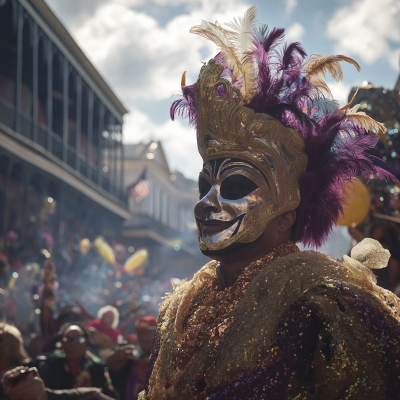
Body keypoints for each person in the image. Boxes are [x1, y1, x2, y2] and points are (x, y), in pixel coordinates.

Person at [139, 7, 400, 400]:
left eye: (236, 185)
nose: (205, 204)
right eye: (204, 186)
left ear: (286, 214)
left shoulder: (328, 309)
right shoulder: (182, 307)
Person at [37, 322, 117, 399]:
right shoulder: (50, 364)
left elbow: (110, 393)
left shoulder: (98, 367)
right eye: (67, 339)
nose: (73, 343)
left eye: (79, 339)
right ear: (61, 342)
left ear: (86, 341)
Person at [106, 317, 156, 400]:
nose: (143, 338)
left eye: (147, 334)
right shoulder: (129, 358)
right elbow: (110, 365)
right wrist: (120, 355)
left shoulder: (165, 359)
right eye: (140, 334)